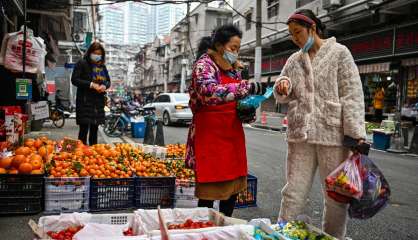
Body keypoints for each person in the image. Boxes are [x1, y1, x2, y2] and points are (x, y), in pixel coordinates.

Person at [273, 10, 366, 239]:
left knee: (336, 196)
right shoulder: (293, 60)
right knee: (293, 191)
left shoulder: (339, 53)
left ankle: (334, 236)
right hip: (300, 134)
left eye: (298, 33)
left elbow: (351, 94)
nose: (295, 39)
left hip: (332, 134)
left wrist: (355, 134)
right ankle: (281, 234)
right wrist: (282, 86)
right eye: (291, 35)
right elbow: (282, 90)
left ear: (312, 28)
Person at [185, 25, 267, 217]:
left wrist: (247, 110)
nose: (236, 53)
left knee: (231, 191)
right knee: (209, 192)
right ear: (220, 46)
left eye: (238, 49)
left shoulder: (232, 70)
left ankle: (225, 226)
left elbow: (238, 99)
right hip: (210, 136)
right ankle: (203, 229)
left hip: (232, 135)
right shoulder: (204, 65)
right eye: (233, 48)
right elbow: (208, 92)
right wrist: (246, 87)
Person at [71, 42, 110, 146]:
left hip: (98, 103)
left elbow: (108, 81)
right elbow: (74, 79)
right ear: (90, 53)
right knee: (83, 131)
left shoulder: (102, 67)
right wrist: (91, 85)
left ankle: (93, 156)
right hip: (84, 103)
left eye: (99, 54)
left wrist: (104, 86)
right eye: (95, 53)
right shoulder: (82, 63)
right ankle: (81, 154)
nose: (97, 56)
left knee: (94, 131)